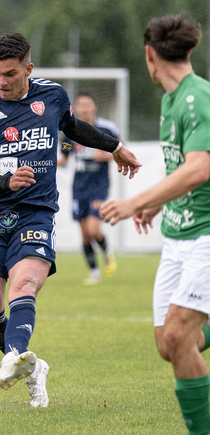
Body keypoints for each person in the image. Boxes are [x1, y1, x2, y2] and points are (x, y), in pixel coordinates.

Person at [0, 33, 140, 408]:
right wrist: (4, 181)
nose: (1, 81)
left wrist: (116, 147)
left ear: (28, 68)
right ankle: (31, 364)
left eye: (10, 73)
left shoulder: (52, 96)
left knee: (24, 284)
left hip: (36, 211)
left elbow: (73, 128)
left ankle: (15, 358)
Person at [100, 14, 210, 434]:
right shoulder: (170, 99)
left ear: (150, 55)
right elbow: (182, 169)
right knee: (168, 343)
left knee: (181, 336)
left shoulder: (197, 98)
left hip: (205, 236)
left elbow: (199, 169)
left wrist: (135, 203)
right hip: (178, 237)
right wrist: (159, 205)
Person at [58, 92, 119, 285]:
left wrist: (107, 156)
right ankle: (94, 272)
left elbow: (121, 152)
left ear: (94, 106)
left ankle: (107, 250)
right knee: (84, 233)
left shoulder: (107, 128)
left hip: (99, 185)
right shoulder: (70, 132)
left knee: (93, 229)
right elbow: (65, 159)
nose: (84, 108)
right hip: (79, 187)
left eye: (87, 105)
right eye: (80, 105)